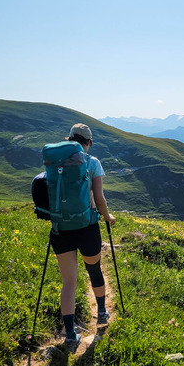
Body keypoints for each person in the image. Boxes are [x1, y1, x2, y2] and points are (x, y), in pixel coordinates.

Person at [49, 123, 115, 345]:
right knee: (94, 270)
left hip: (60, 230)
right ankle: (103, 312)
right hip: (87, 228)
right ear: (88, 143)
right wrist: (107, 217)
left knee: (69, 281)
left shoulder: (54, 162)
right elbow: (99, 199)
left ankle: (69, 334)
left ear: (68, 139)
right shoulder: (92, 162)